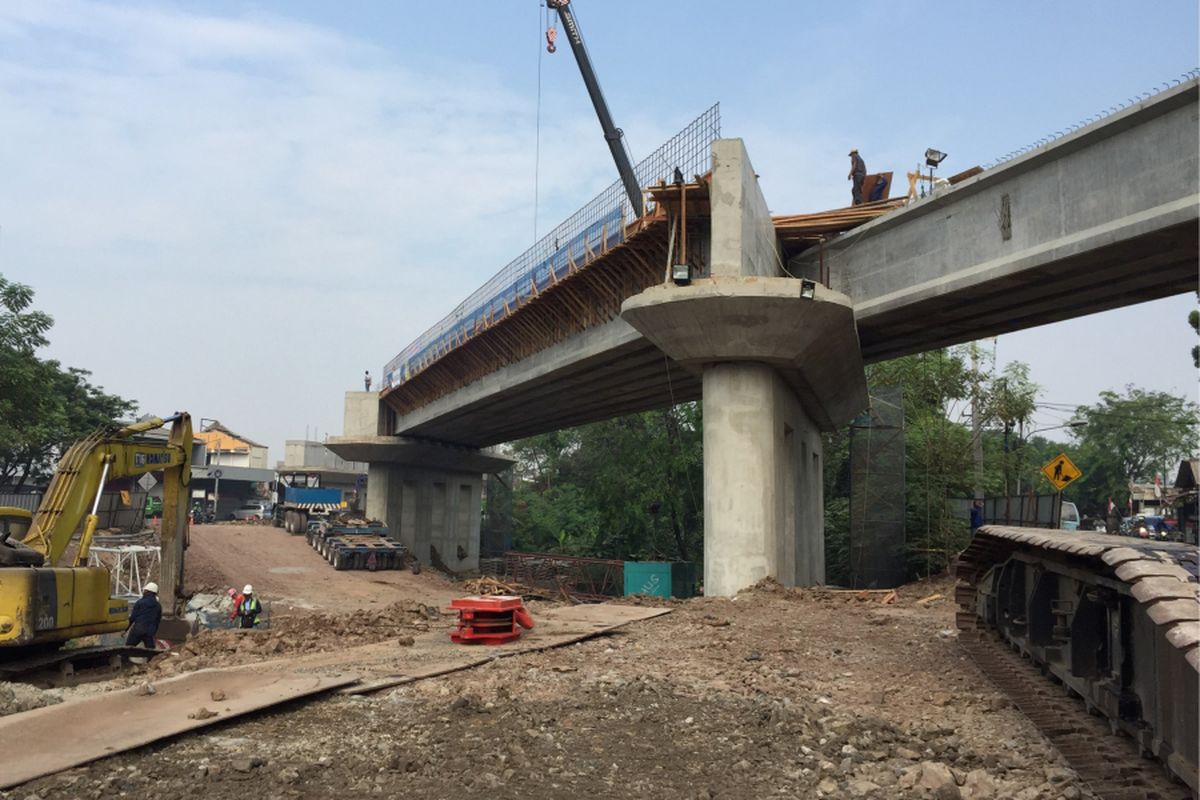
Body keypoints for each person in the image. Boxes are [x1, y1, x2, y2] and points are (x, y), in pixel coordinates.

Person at [125, 582, 162, 648]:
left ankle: (125, 658)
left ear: (146, 591)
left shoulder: (140, 602)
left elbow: (132, 618)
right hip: (149, 632)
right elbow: (157, 621)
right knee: (151, 653)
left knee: (127, 649)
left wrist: (125, 629)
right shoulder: (158, 606)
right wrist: (153, 632)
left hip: (138, 630)